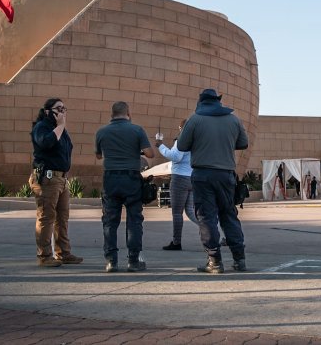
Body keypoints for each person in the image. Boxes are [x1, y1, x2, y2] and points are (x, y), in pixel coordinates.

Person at [177, 88, 249, 274]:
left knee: (207, 217)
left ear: (201, 101)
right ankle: (239, 260)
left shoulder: (195, 119)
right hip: (226, 175)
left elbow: (182, 145)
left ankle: (215, 261)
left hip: (203, 175)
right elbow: (243, 143)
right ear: (218, 100)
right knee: (229, 215)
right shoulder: (233, 119)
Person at [95, 101, 154, 273]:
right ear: (128, 113)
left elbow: (99, 156)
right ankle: (133, 261)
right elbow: (150, 154)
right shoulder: (137, 130)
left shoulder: (102, 132)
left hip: (110, 178)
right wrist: (137, 150)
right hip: (131, 178)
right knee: (134, 220)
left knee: (109, 221)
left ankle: (111, 261)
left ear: (112, 114)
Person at [30, 98, 83, 267]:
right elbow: (46, 143)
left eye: (64, 108)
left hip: (61, 178)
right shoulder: (42, 127)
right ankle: (44, 256)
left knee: (62, 217)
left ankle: (63, 253)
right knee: (46, 217)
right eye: (58, 108)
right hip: (47, 178)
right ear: (47, 111)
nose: (62, 112)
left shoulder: (62, 131)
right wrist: (60, 126)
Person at [156, 119, 198, 251]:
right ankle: (210, 230)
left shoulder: (181, 140)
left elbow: (175, 157)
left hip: (180, 178)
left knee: (177, 213)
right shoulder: (196, 140)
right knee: (190, 211)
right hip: (192, 178)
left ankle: (176, 242)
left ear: (181, 128)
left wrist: (160, 146)